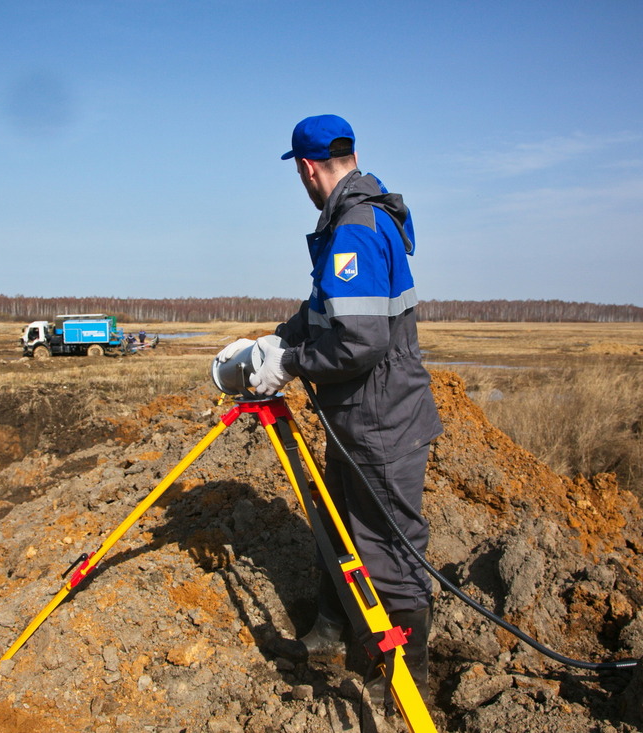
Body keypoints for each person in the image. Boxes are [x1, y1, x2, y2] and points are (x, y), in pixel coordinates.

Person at [215, 114, 443, 702]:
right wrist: (273, 339)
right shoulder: (356, 219)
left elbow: (359, 341)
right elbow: (329, 312)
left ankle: (402, 684)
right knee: (338, 527)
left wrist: (288, 365)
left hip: (381, 423)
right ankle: (331, 632)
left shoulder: (356, 230)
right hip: (358, 419)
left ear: (307, 168)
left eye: (298, 171)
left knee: (388, 551)